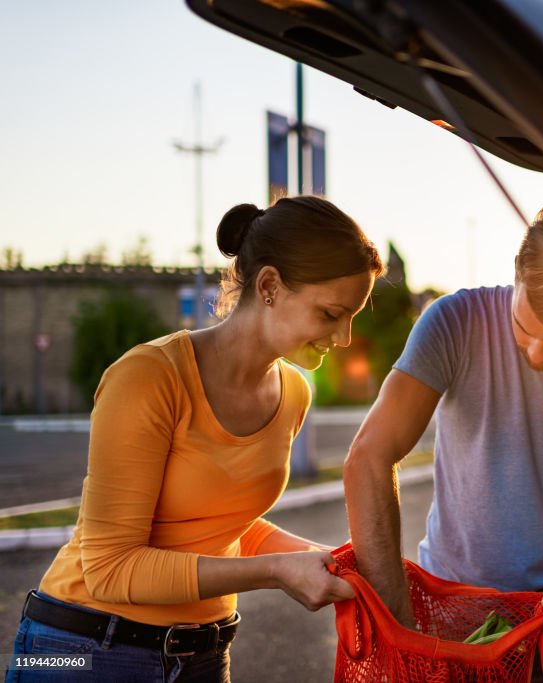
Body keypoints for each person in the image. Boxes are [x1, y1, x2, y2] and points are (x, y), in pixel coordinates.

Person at [6, 196, 383, 683]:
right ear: (269, 285)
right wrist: (277, 572)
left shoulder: (293, 393)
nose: (346, 337)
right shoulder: (149, 376)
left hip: (203, 656)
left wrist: (329, 561)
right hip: (79, 651)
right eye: (331, 313)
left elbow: (224, 526)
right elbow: (109, 568)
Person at [343, 200, 543, 681]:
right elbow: (369, 457)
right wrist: (400, 624)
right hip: (445, 624)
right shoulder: (453, 321)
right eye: (524, 330)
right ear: (516, 269)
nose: (537, 353)